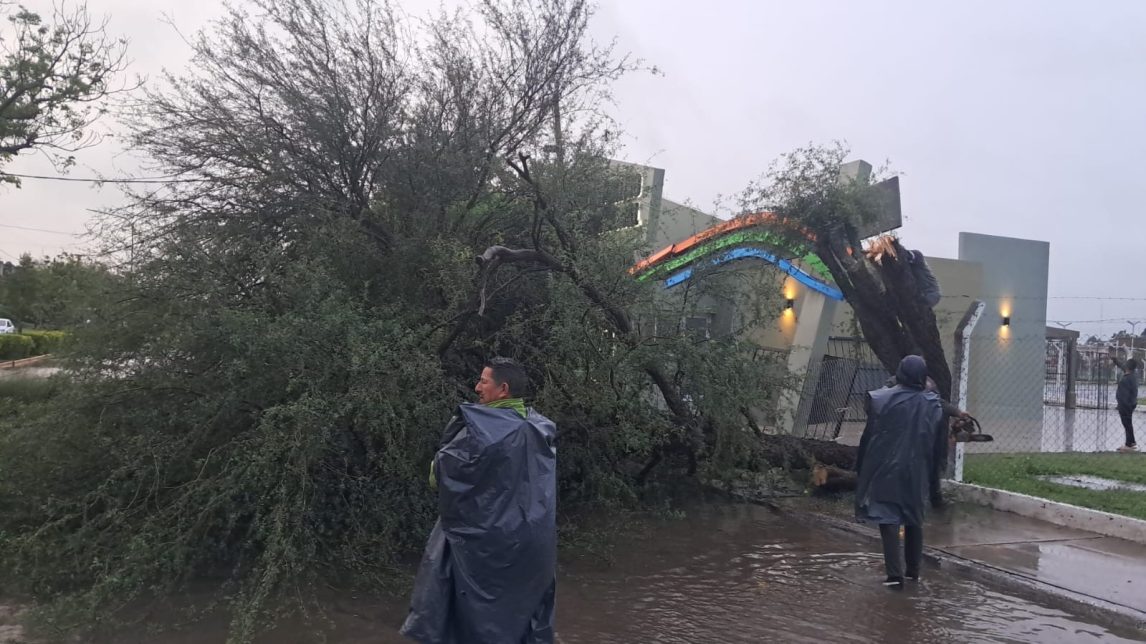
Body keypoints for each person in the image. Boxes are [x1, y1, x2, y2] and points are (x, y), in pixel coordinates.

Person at [401, 358, 558, 644]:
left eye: (483, 381)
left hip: (482, 541)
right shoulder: (541, 428)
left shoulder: (479, 429)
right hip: (533, 544)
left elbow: (440, 477)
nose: (477, 387)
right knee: (518, 617)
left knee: (470, 616)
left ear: (503, 388)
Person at [855, 355, 947, 589]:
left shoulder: (880, 399)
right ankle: (913, 573)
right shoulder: (933, 404)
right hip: (917, 469)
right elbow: (936, 443)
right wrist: (934, 478)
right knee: (914, 518)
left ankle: (895, 576)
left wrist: (861, 466)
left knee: (888, 518)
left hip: (886, 467)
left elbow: (869, 436)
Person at [1110, 349, 1139, 453]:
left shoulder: (1126, 379)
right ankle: (1131, 442)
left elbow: (1124, 395)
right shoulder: (1133, 375)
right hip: (1131, 404)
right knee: (1127, 424)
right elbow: (1122, 366)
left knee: (1127, 424)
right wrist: (1115, 360)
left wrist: (1122, 405)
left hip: (1126, 405)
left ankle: (1129, 444)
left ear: (1128, 367)